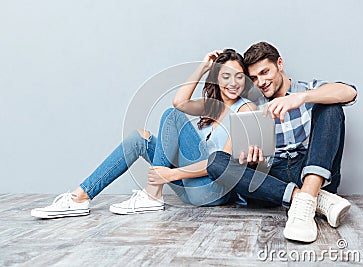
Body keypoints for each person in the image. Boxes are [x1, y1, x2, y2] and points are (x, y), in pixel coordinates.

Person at [31, 49, 256, 219]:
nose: (233, 83)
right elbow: (180, 101)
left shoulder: (246, 109)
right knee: (140, 137)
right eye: (225, 76)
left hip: (212, 191)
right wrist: (202, 67)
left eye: (238, 76)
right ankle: (79, 197)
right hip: (189, 188)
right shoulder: (211, 106)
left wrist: (171, 175)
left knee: (172, 115)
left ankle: (151, 194)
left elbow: (224, 166)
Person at [206, 42, 357, 243]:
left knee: (331, 108)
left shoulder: (307, 90)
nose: (261, 82)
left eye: (265, 72)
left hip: (310, 171)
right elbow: (233, 161)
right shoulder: (251, 106)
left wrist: (301, 98)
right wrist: (250, 161)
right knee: (216, 162)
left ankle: (309, 194)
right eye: (254, 78)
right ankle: (309, 199)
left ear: (279, 64)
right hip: (274, 180)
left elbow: (349, 92)